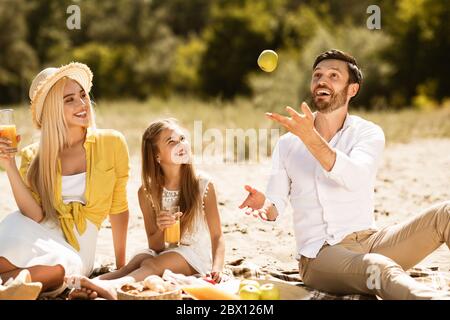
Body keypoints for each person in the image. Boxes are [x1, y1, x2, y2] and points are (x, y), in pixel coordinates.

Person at [239, 49, 450, 299]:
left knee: (445, 214)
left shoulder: (367, 133)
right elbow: (275, 204)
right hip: (320, 256)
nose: (322, 81)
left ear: (352, 89)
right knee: (379, 269)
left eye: (333, 75)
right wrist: (266, 205)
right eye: (317, 75)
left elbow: (355, 177)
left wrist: (311, 139)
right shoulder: (287, 144)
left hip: (372, 241)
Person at [0, 62, 130, 298]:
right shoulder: (33, 155)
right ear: (52, 109)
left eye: (83, 95)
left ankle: (11, 286)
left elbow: (119, 209)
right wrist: (9, 164)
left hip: (77, 248)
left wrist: (121, 267)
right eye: (69, 99)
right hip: (38, 230)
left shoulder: (112, 143)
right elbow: (35, 216)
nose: (82, 105)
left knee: (59, 269)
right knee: (11, 232)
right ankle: (11, 288)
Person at [67, 118, 225, 300]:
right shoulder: (147, 192)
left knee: (152, 265)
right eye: (171, 142)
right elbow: (155, 245)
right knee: (134, 264)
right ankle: (84, 283)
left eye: (182, 138)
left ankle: (109, 288)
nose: (181, 144)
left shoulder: (203, 185)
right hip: (163, 251)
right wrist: (161, 228)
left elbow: (217, 236)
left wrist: (217, 268)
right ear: (157, 156)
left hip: (193, 255)